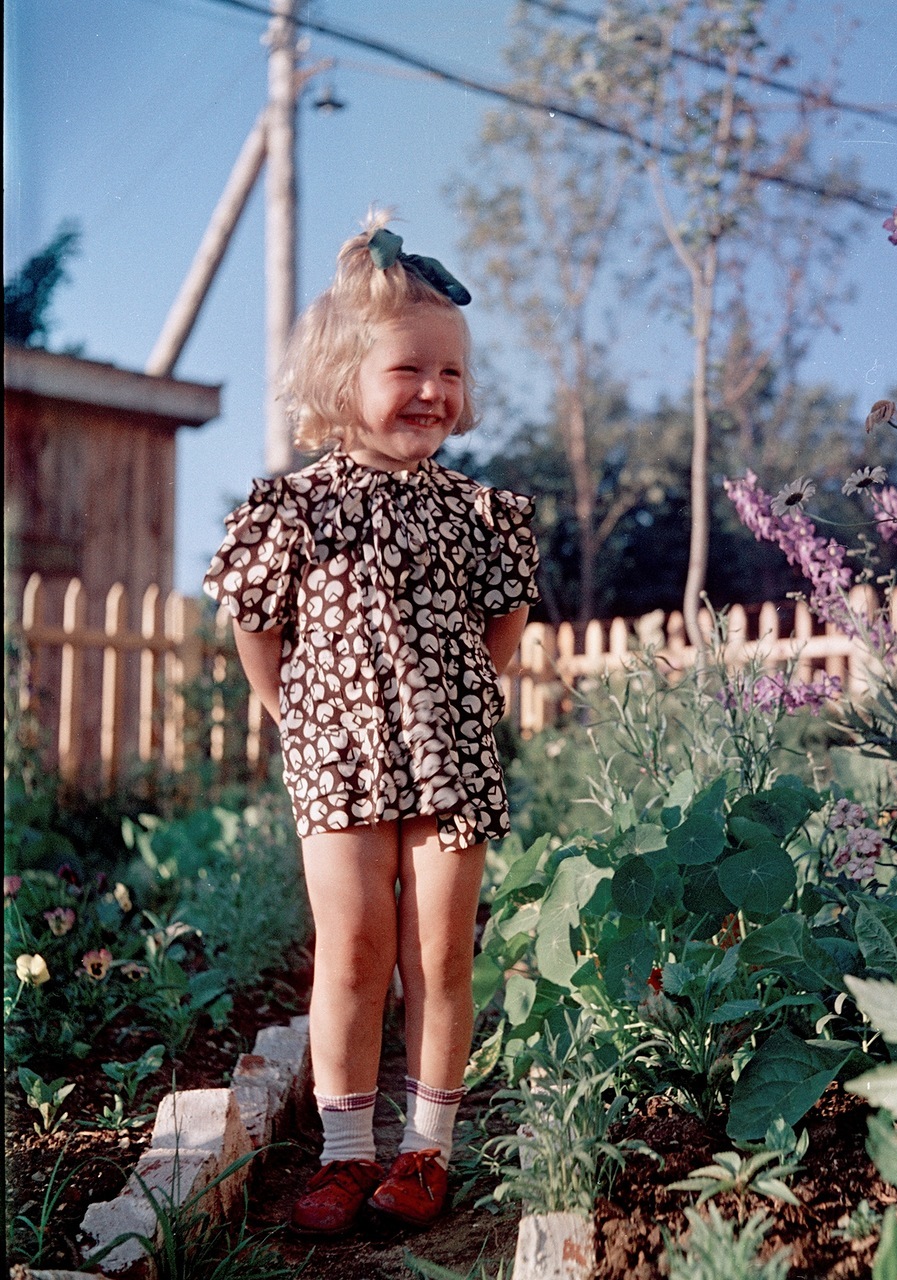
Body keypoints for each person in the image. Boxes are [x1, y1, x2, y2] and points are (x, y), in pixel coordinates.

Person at [204, 212, 539, 1236]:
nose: (434, 390)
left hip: (451, 762)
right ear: (341, 374)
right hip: (338, 758)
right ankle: (347, 1153)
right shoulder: (291, 508)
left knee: (440, 953)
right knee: (351, 949)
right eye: (408, 368)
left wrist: (445, 708)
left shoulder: (482, 511)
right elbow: (254, 626)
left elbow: (505, 631)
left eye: (450, 372)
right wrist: (297, 714)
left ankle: (427, 1148)